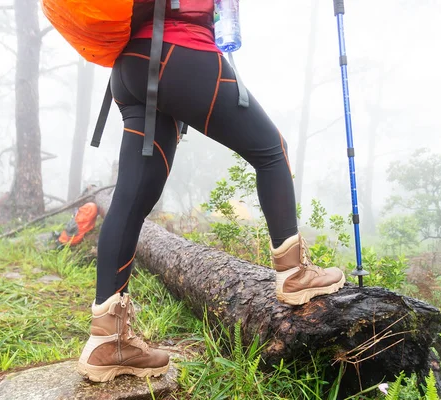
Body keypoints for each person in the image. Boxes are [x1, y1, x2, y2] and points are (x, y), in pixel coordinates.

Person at [76, 0, 346, 383]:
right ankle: (294, 273)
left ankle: (108, 339)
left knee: (130, 199)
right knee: (272, 151)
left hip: (131, 64)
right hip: (182, 53)